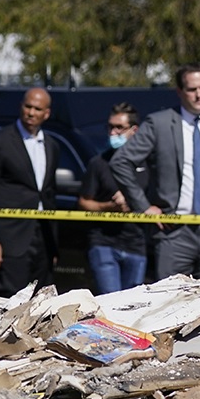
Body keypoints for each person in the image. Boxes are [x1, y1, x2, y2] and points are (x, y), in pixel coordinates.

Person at [110, 63, 200, 284]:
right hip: (173, 232)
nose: (199, 95)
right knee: (169, 304)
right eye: (192, 89)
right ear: (179, 91)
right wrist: (143, 206)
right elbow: (121, 162)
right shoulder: (159, 123)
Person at [0, 87, 59, 297]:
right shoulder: (0, 141)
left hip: (43, 236)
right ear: (21, 106)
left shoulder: (52, 145)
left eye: (37, 109)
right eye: (27, 106)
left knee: (44, 300)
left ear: (46, 113)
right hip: (11, 236)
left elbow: (49, 193)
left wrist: (53, 247)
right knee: (12, 300)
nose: (31, 112)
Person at [78, 103, 148, 294]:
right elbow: (84, 202)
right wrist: (109, 206)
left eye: (119, 127)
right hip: (104, 243)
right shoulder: (99, 163)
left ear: (134, 130)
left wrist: (135, 201)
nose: (113, 132)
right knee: (109, 303)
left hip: (136, 243)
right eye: (110, 127)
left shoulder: (147, 163)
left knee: (131, 306)